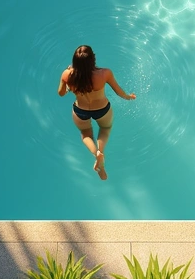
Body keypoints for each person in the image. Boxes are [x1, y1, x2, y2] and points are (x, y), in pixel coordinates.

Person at [57, 45, 136, 181]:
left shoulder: (67, 74)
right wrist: (129, 97)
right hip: (102, 110)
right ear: (93, 59)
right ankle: (101, 150)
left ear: (74, 61)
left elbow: (61, 93)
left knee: (85, 135)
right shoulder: (104, 73)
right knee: (105, 129)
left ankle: (97, 155)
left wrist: (69, 84)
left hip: (80, 111)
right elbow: (119, 92)